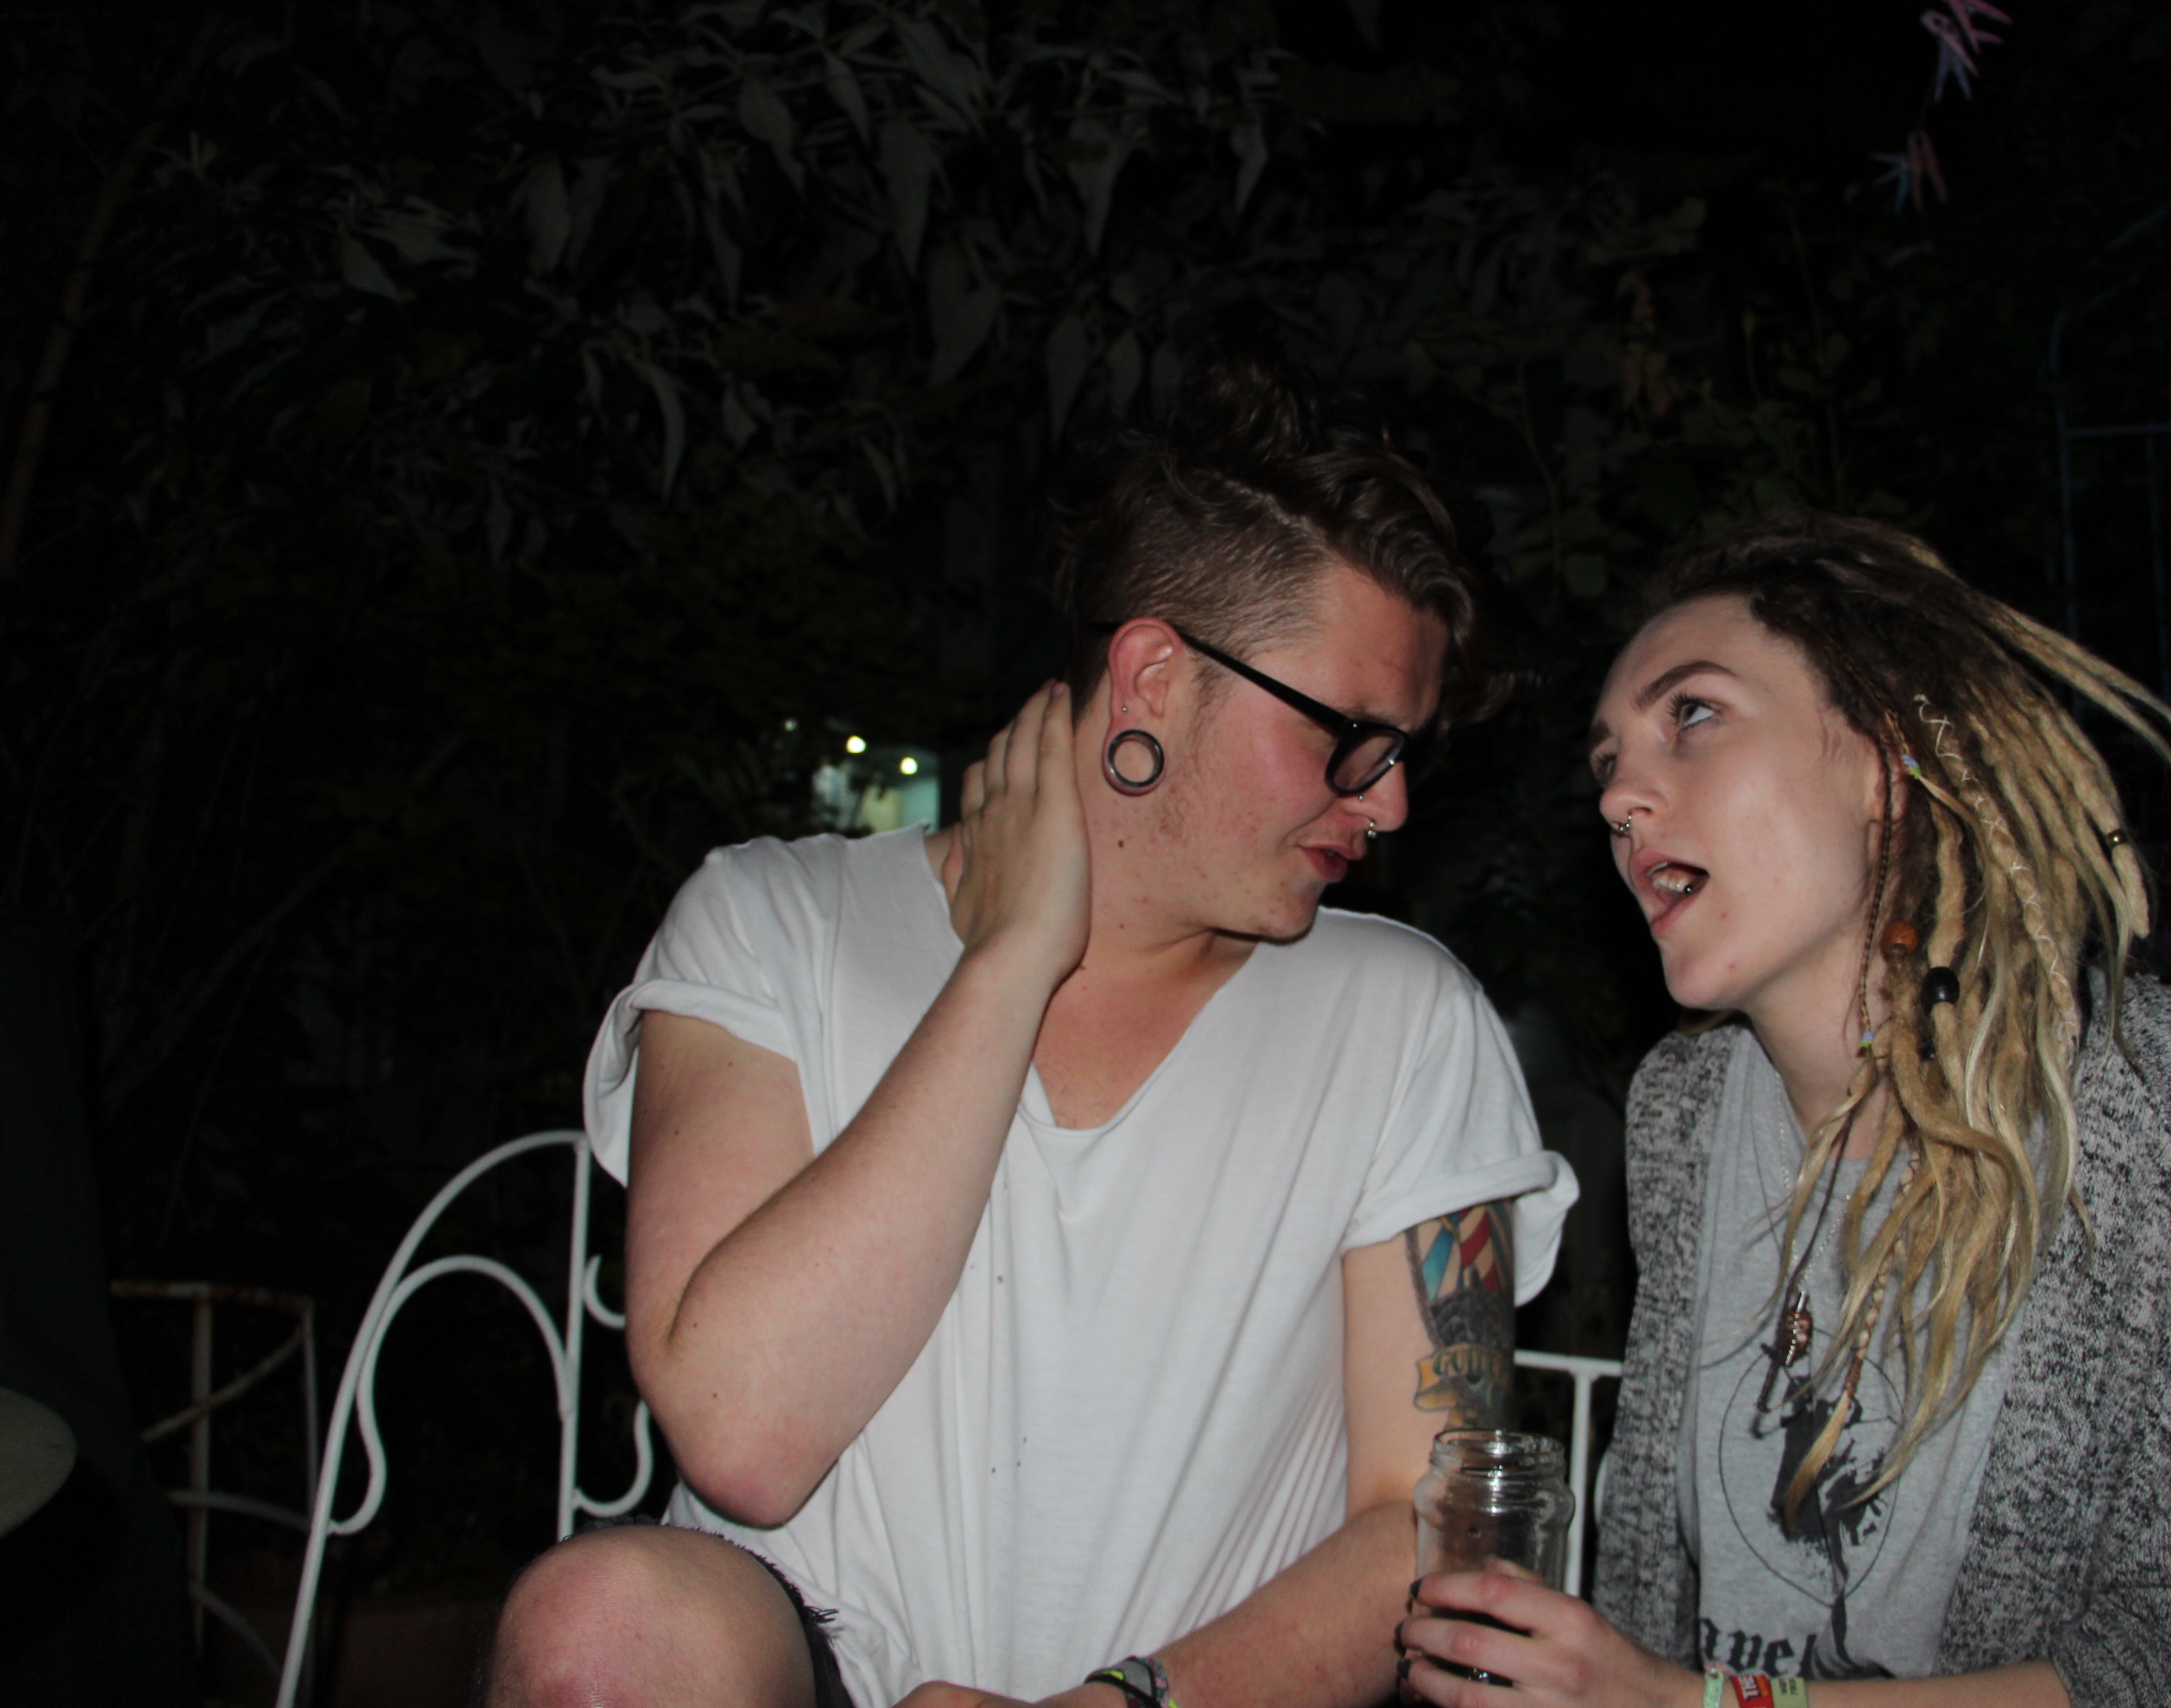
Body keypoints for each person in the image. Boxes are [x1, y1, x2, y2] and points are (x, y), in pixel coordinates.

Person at [487, 345, 1577, 1708]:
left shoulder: (1402, 1017)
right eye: (1350, 736)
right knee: (598, 1625)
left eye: (1404, 751)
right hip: (812, 1672)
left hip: (1176, 1703)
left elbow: (1431, 1521)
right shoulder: (774, 921)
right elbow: (744, 1438)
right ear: (1154, 679)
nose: (1391, 802)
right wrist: (1009, 964)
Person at [1397, 513, 2171, 1707]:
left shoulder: (2158, 1098)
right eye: (1607, 763)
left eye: (1692, 713)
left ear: (1884, 760)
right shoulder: (1684, 1110)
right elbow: (1655, 1584)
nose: (1621, 797)